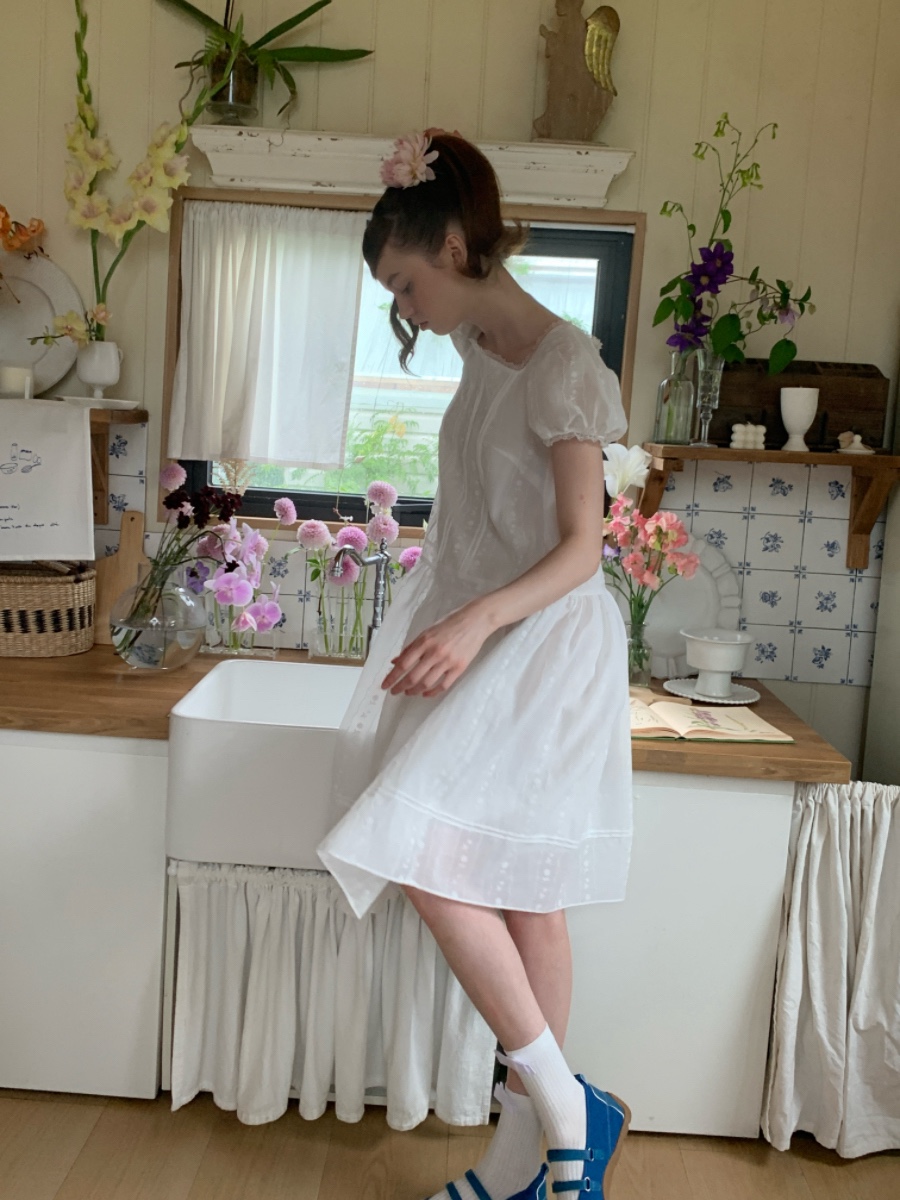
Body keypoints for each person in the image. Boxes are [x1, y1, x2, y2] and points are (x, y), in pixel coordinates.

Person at [316, 129, 634, 1200]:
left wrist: (473, 624)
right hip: (484, 632)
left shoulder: (566, 363)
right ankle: (540, 1144)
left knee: (446, 861)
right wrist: (450, 615)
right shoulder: (478, 351)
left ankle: (558, 1117)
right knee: (510, 886)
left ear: (455, 248)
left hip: (539, 643)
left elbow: (583, 548)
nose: (405, 309)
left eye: (407, 283)